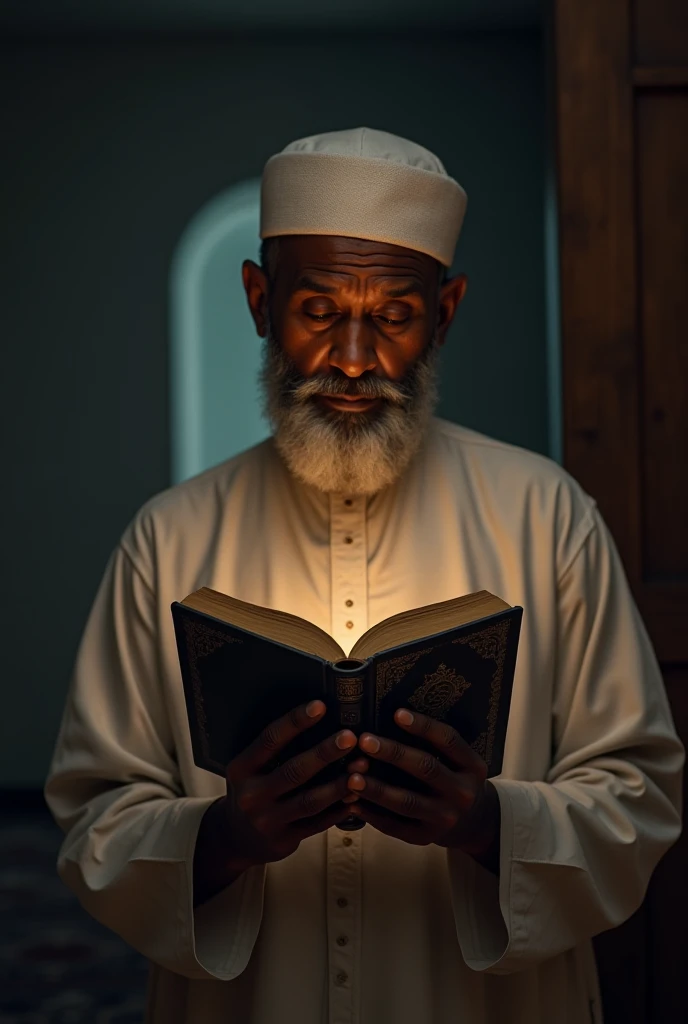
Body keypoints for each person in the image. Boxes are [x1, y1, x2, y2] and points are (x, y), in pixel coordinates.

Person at [45, 127, 683, 1024]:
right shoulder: (169, 537)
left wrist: (488, 824)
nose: (352, 357)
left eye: (392, 316)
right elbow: (93, 813)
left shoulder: (547, 516)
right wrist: (223, 838)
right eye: (317, 312)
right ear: (260, 301)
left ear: (446, 310)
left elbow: (640, 795)